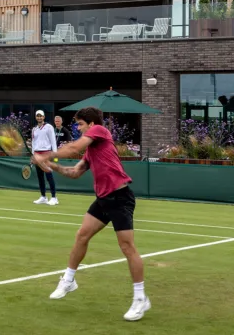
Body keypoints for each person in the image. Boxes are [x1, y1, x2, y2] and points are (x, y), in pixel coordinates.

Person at [33, 106, 149, 321]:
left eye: (80, 124)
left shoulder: (100, 132)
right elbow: (75, 172)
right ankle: (69, 280)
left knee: (127, 247)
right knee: (82, 235)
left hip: (120, 197)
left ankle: (141, 298)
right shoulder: (90, 149)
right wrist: (51, 166)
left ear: (91, 124)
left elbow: (74, 146)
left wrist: (47, 154)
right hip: (104, 199)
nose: (77, 128)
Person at [29, 109, 58, 206]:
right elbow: (33, 143)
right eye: (37, 116)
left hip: (46, 154)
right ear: (36, 117)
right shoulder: (34, 129)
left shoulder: (49, 127)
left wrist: (55, 154)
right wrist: (33, 156)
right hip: (37, 155)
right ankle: (43, 197)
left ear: (44, 117)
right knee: (40, 177)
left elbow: (53, 140)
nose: (39, 117)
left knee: (49, 176)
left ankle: (54, 198)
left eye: (41, 116)